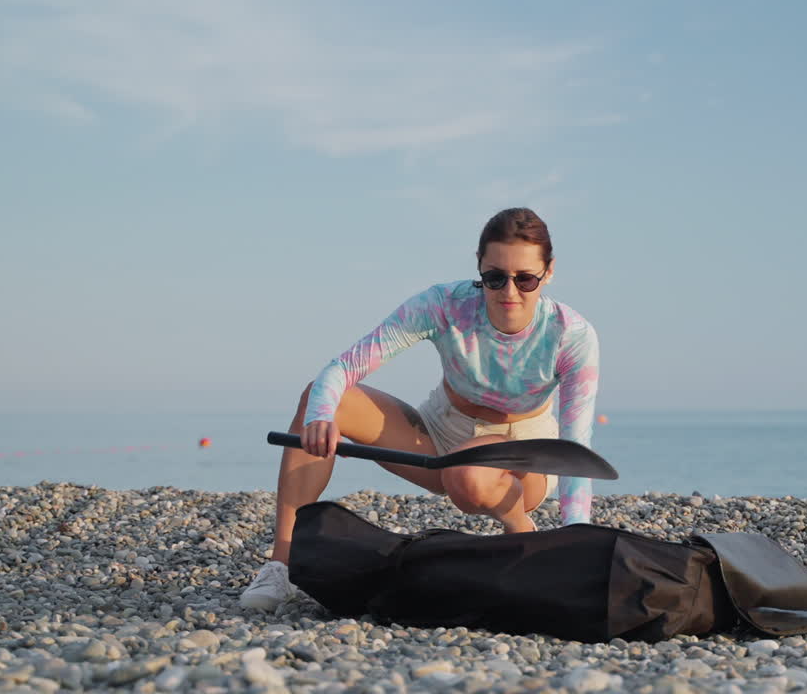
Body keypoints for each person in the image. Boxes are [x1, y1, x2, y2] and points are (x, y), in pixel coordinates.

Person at [240, 208, 600, 611]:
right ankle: (282, 564)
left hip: (523, 455)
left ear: (548, 272)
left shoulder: (571, 335)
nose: (509, 292)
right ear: (479, 267)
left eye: (525, 279)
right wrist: (321, 416)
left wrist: (578, 540)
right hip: (441, 431)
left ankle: (518, 527)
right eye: (495, 278)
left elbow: (576, 447)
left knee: (469, 473)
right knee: (319, 399)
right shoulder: (444, 304)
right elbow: (345, 366)